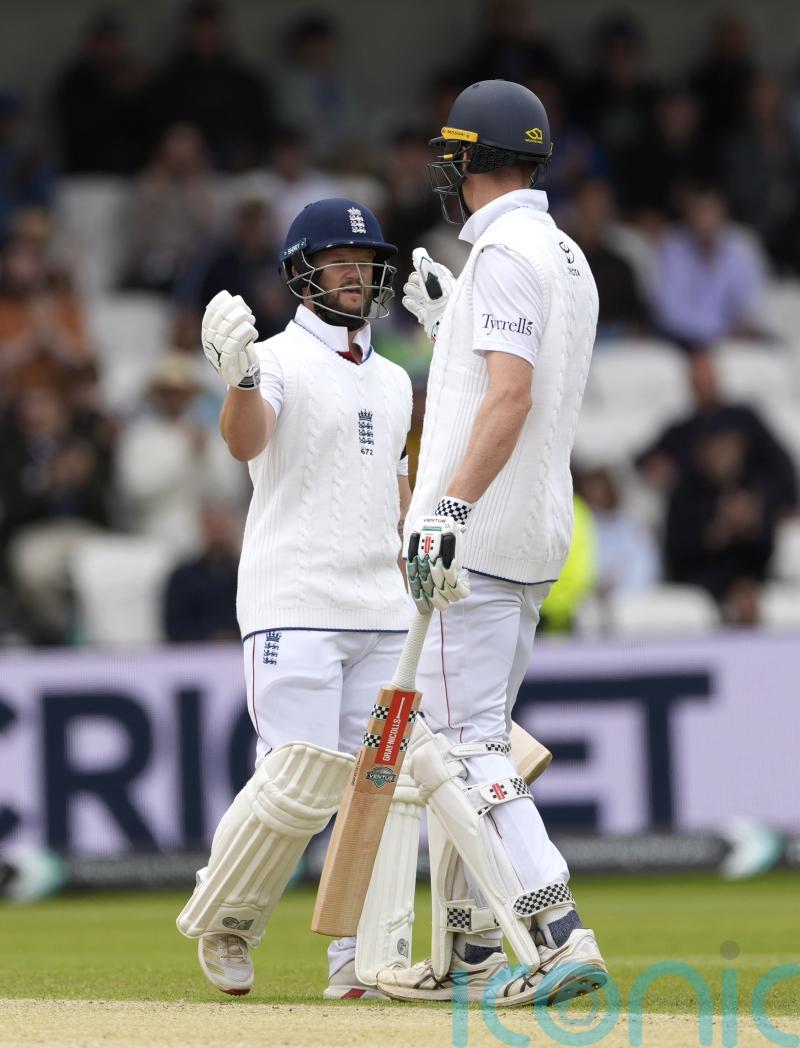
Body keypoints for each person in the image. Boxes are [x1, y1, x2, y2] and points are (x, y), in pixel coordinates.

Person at [374, 79, 608, 1007]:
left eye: (453, 157)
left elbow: (510, 395)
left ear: (473, 161)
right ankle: (468, 952)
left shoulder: (507, 252)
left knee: (469, 751)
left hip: (478, 539)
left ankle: (554, 931)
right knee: (471, 738)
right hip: (532, 532)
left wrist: (448, 512)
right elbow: (515, 377)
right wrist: (449, 320)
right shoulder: (566, 255)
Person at [175, 198, 414, 999]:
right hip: (296, 601)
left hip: (383, 608)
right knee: (298, 780)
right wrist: (238, 376)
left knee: (371, 793)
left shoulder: (394, 380)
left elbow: (401, 490)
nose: (355, 272)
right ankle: (229, 917)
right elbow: (245, 441)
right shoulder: (274, 360)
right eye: (338, 258)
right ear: (301, 273)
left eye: (365, 258)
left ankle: (354, 959)